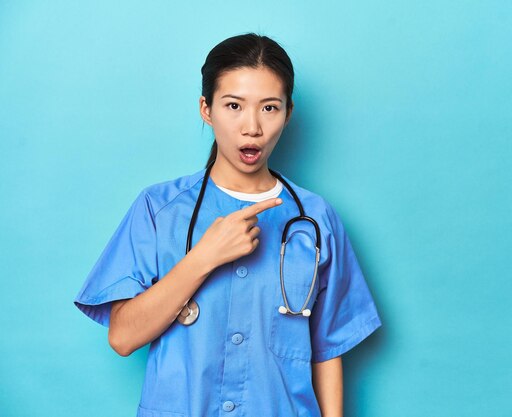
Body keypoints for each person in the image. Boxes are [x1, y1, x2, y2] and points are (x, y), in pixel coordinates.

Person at [74, 33, 381, 417]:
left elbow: (326, 350)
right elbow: (122, 337)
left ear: (288, 112)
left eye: (269, 108)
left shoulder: (316, 219)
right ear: (207, 109)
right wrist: (204, 257)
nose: (251, 126)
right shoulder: (158, 209)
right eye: (233, 105)